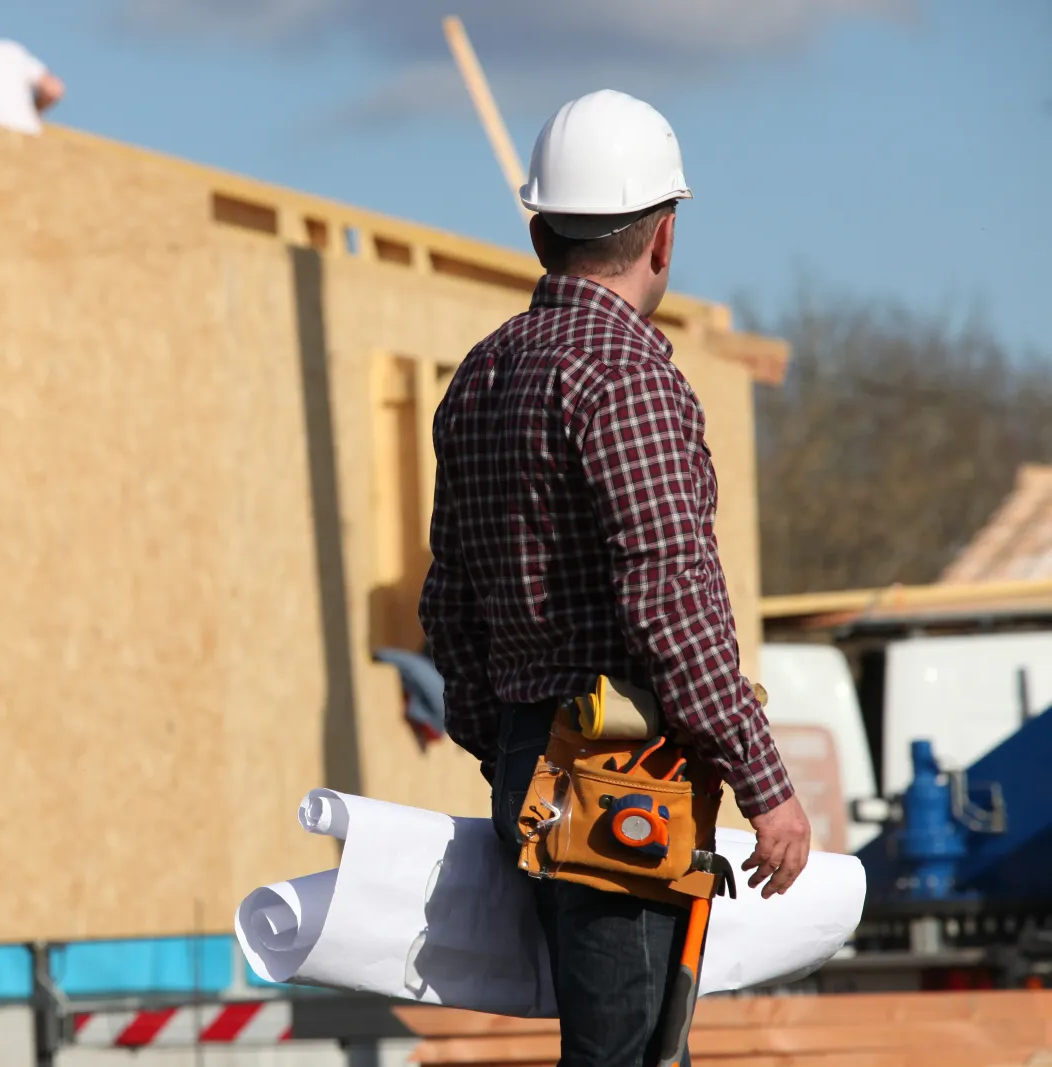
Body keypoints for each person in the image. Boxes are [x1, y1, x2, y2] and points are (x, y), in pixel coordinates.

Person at [418, 89, 813, 1066]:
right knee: (632, 1055)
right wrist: (766, 784)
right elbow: (671, 605)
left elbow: (450, 604)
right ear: (663, 236)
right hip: (624, 775)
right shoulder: (624, 373)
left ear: (539, 229)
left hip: (534, 763)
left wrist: (509, 749)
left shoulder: (483, 373)